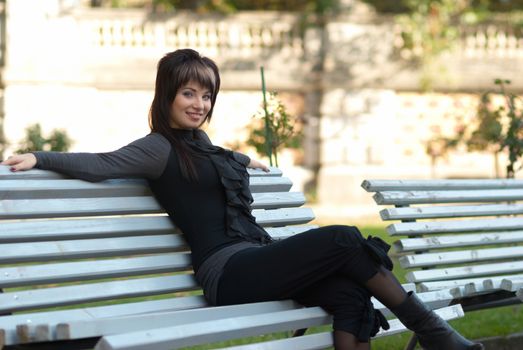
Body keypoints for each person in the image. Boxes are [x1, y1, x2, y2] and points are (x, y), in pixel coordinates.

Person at [1, 49, 483, 350]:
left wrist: (243, 158)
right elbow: (103, 163)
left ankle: (436, 336)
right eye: (188, 93)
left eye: (206, 95)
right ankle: (435, 331)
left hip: (255, 259)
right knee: (342, 239)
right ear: (167, 95)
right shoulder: (158, 147)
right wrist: (40, 157)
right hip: (226, 273)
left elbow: (219, 159)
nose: (199, 104)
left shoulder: (208, 149)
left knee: (350, 293)